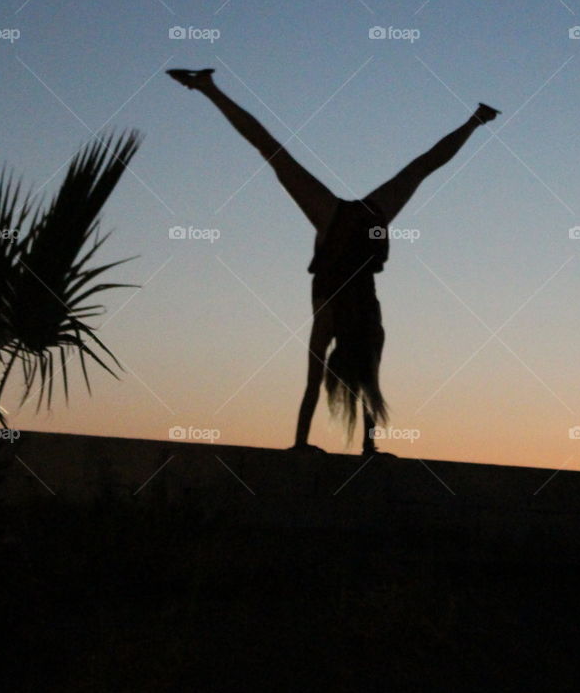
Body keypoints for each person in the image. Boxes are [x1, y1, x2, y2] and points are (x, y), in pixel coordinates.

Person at [167, 68, 500, 455]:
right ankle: (207, 87)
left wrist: (306, 444)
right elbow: (356, 387)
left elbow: (337, 387)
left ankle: (476, 120)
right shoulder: (353, 326)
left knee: (283, 153)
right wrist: (331, 445)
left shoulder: (364, 326)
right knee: (277, 153)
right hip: (346, 225)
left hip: (351, 224)